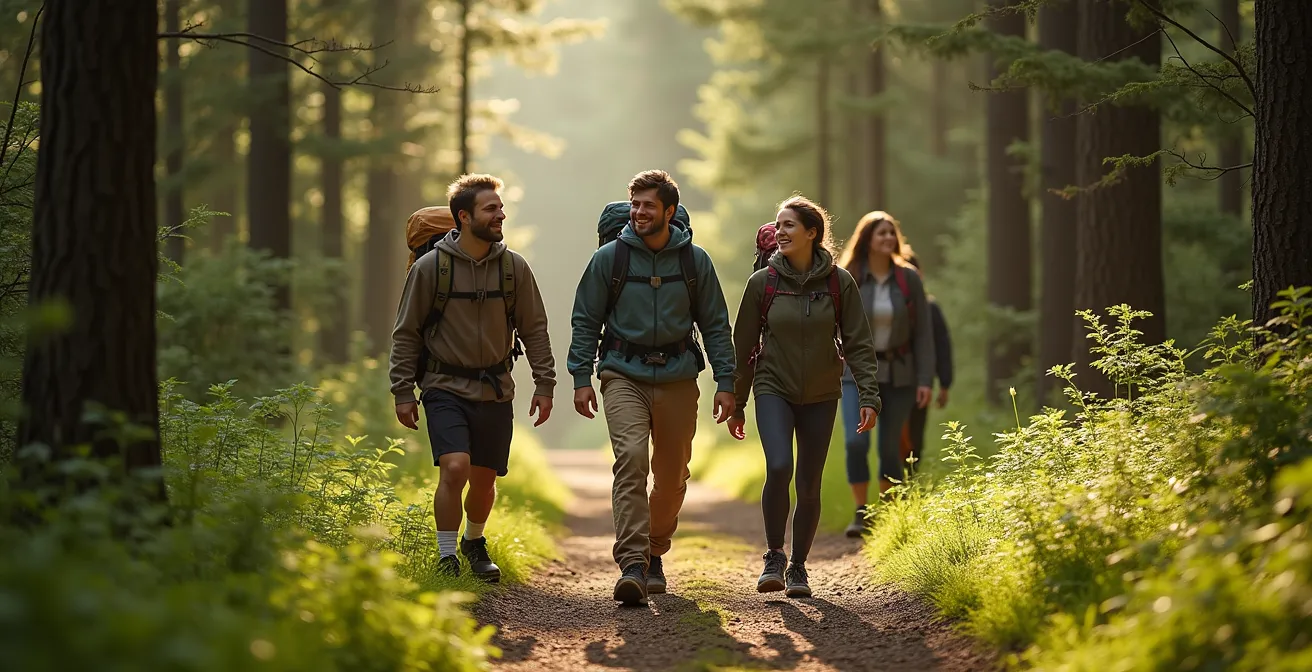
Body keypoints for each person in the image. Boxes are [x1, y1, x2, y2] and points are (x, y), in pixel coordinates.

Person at [568, 169, 736, 606]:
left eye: (648, 205)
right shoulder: (611, 258)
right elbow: (585, 320)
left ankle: (655, 548)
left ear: (670, 211)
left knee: (672, 475)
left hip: (680, 376)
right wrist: (580, 377)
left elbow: (716, 325)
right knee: (630, 460)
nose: (639, 213)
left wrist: (726, 382)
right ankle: (632, 565)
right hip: (622, 372)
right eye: (635, 204)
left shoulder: (695, 261)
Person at [388, 174, 557, 581]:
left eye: (500, 208)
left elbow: (534, 328)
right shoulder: (431, 268)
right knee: (455, 467)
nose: (500, 215)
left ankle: (474, 542)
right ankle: (447, 555)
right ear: (463, 217)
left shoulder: (514, 268)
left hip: (496, 389)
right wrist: (402, 391)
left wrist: (544, 383)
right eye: (491, 209)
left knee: (483, 479)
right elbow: (406, 332)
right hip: (443, 386)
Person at [728, 196, 882, 598]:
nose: (779, 232)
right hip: (772, 386)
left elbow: (859, 344)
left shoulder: (838, 282)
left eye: (789, 226)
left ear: (812, 233)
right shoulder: (762, 283)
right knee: (779, 467)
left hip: (822, 393)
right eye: (777, 226)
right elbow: (743, 348)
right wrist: (736, 400)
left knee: (809, 483)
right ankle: (774, 556)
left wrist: (868, 395)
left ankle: (798, 567)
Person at [837, 210, 935, 538]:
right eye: (881, 233)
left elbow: (924, 334)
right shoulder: (848, 276)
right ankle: (861, 511)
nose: (888, 239)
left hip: (900, 375)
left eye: (892, 233)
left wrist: (925, 380)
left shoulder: (909, 279)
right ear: (867, 239)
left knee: (890, 447)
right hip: (855, 373)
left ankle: (887, 515)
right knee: (855, 442)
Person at [899, 254, 953, 471]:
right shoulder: (887, 306)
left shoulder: (931, 308)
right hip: (893, 378)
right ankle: (894, 482)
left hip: (921, 379)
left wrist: (945, 383)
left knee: (916, 433)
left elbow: (942, 346)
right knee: (896, 434)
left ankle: (910, 479)